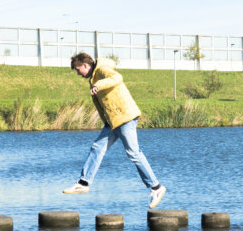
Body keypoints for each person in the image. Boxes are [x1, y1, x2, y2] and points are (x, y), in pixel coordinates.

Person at [63, 52, 166, 209]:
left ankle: (156, 187)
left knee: (133, 153)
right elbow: (99, 104)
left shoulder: (102, 70)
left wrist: (99, 85)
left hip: (125, 117)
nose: (78, 74)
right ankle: (83, 183)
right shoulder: (93, 78)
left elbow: (117, 78)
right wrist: (105, 121)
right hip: (112, 121)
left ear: (85, 65)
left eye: (78, 70)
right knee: (97, 147)